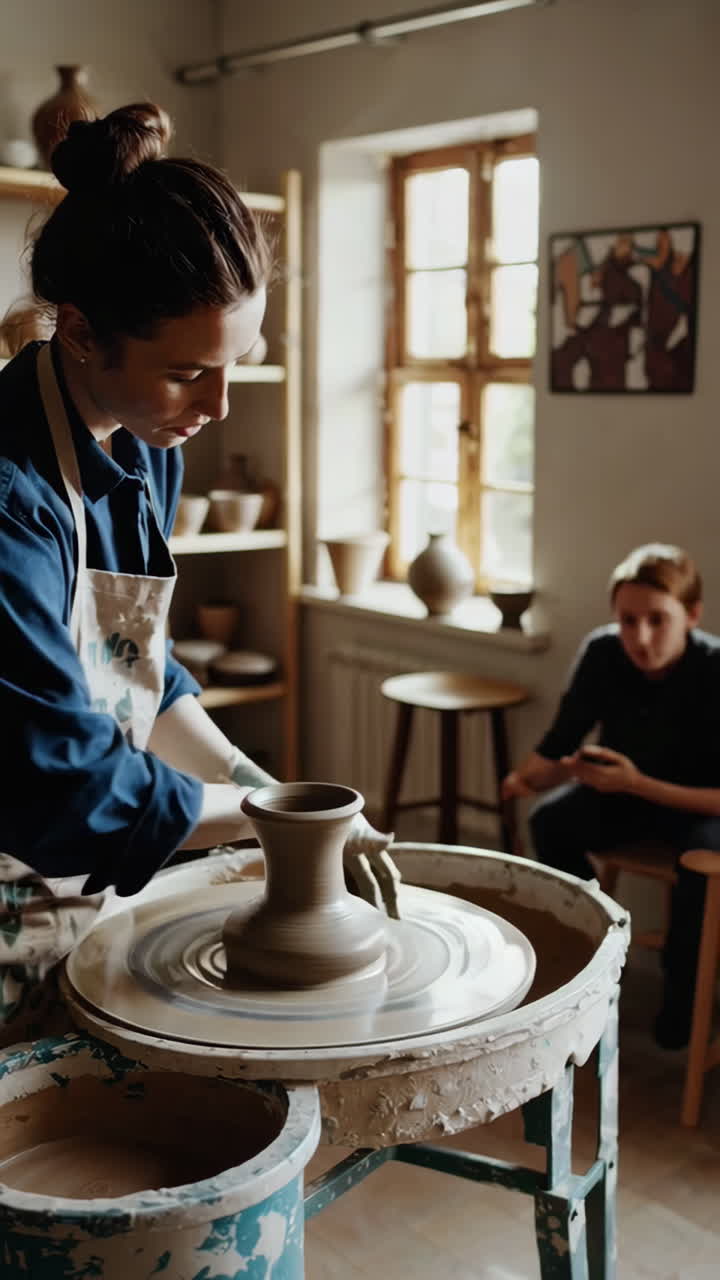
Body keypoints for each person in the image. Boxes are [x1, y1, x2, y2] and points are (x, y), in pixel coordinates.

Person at [0, 102, 398, 1046]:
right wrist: (272, 820)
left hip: (71, 884)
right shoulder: (10, 501)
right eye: (188, 372)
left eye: (240, 364)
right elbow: (69, 787)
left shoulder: (147, 442)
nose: (219, 405)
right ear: (85, 333)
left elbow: (137, 666)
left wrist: (240, 772)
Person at [502, 543, 720, 1050]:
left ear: (691, 615)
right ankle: (595, 954)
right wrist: (529, 778)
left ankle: (682, 995)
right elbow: (559, 744)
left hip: (696, 808)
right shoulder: (604, 652)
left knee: (700, 862)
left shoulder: (714, 670)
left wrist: (636, 783)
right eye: (627, 621)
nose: (640, 638)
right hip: (626, 797)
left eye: (657, 620)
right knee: (548, 821)